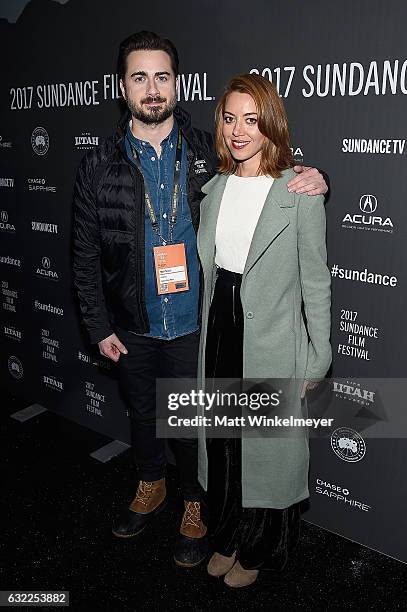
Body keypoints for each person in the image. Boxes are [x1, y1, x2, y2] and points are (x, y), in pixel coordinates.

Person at [72, 31, 329, 569]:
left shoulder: (203, 155)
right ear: (123, 87)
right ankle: (150, 484)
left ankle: (196, 503)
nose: (152, 87)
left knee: (196, 429)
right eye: (139, 77)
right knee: (144, 415)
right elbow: (84, 253)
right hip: (133, 321)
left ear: (177, 83)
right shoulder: (98, 163)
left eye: (161, 76)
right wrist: (98, 326)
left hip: (196, 324)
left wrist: (319, 175)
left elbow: (268, 180)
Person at [196, 73, 331, 587]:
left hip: (271, 335)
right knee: (225, 442)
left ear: (270, 124)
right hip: (220, 329)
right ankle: (227, 535)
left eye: (251, 120)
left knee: (266, 448)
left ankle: (257, 549)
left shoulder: (297, 192)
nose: (238, 131)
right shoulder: (214, 188)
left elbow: (315, 282)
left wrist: (318, 358)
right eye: (230, 118)